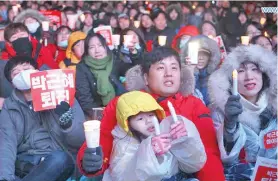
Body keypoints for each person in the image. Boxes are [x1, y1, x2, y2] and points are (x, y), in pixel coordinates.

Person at [77, 47, 225, 181]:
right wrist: (90, 161)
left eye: (174, 68)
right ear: (146, 78)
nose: (168, 74)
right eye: (161, 68)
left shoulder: (194, 104)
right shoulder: (125, 103)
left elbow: (209, 152)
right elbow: (103, 137)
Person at [0, 56, 86, 181]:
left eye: (26, 68)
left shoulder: (63, 95)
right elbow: (6, 144)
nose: (23, 74)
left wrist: (67, 124)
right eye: (16, 73)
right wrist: (5, 178)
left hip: (58, 157)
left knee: (58, 159)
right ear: (12, 83)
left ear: (37, 71)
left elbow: (80, 140)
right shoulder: (11, 107)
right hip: (27, 162)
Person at [102, 91, 207, 181]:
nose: (148, 121)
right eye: (140, 119)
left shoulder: (165, 130)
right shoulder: (124, 145)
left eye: (151, 115)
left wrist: (185, 140)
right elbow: (122, 176)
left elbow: (193, 165)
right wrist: (150, 153)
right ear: (128, 124)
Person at [208, 45, 277, 180]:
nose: (249, 76)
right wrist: (229, 124)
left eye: (255, 69)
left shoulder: (274, 108)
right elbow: (225, 158)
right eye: (240, 71)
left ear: (264, 75)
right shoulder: (220, 111)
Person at [75, 33, 129, 119]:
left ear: (105, 47)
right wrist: (104, 117)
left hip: (122, 110)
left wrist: (133, 54)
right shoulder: (82, 68)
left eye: (100, 45)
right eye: (92, 47)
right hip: (98, 115)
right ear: (87, 51)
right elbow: (85, 101)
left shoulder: (114, 60)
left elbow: (131, 70)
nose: (97, 50)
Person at [181, 35, 221, 106]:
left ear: (210, 57)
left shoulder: (216, 77)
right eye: (197, 54)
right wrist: (191, 72)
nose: (201, 58)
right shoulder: (182, 75)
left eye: (205, 54)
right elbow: (185, 97)